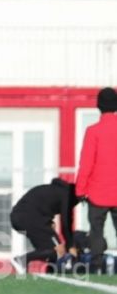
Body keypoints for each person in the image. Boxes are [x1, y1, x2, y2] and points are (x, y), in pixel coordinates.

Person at [76, 87, 117, 272]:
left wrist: (80, 190)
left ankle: (97, 266)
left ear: (98, 106)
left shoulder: (93, 131)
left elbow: (86, 163)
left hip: (97, 192)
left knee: (96, 232)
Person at [9, 178, 79, 274]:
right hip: (29, 218)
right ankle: (21, 260)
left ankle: (50, 272)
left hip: (23, 217)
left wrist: (49, 222)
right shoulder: (66, 194)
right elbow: (66, 222)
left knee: (53, 249)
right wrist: (71, 245)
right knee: (57, 250)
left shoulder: (55, 190)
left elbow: (41, 206)